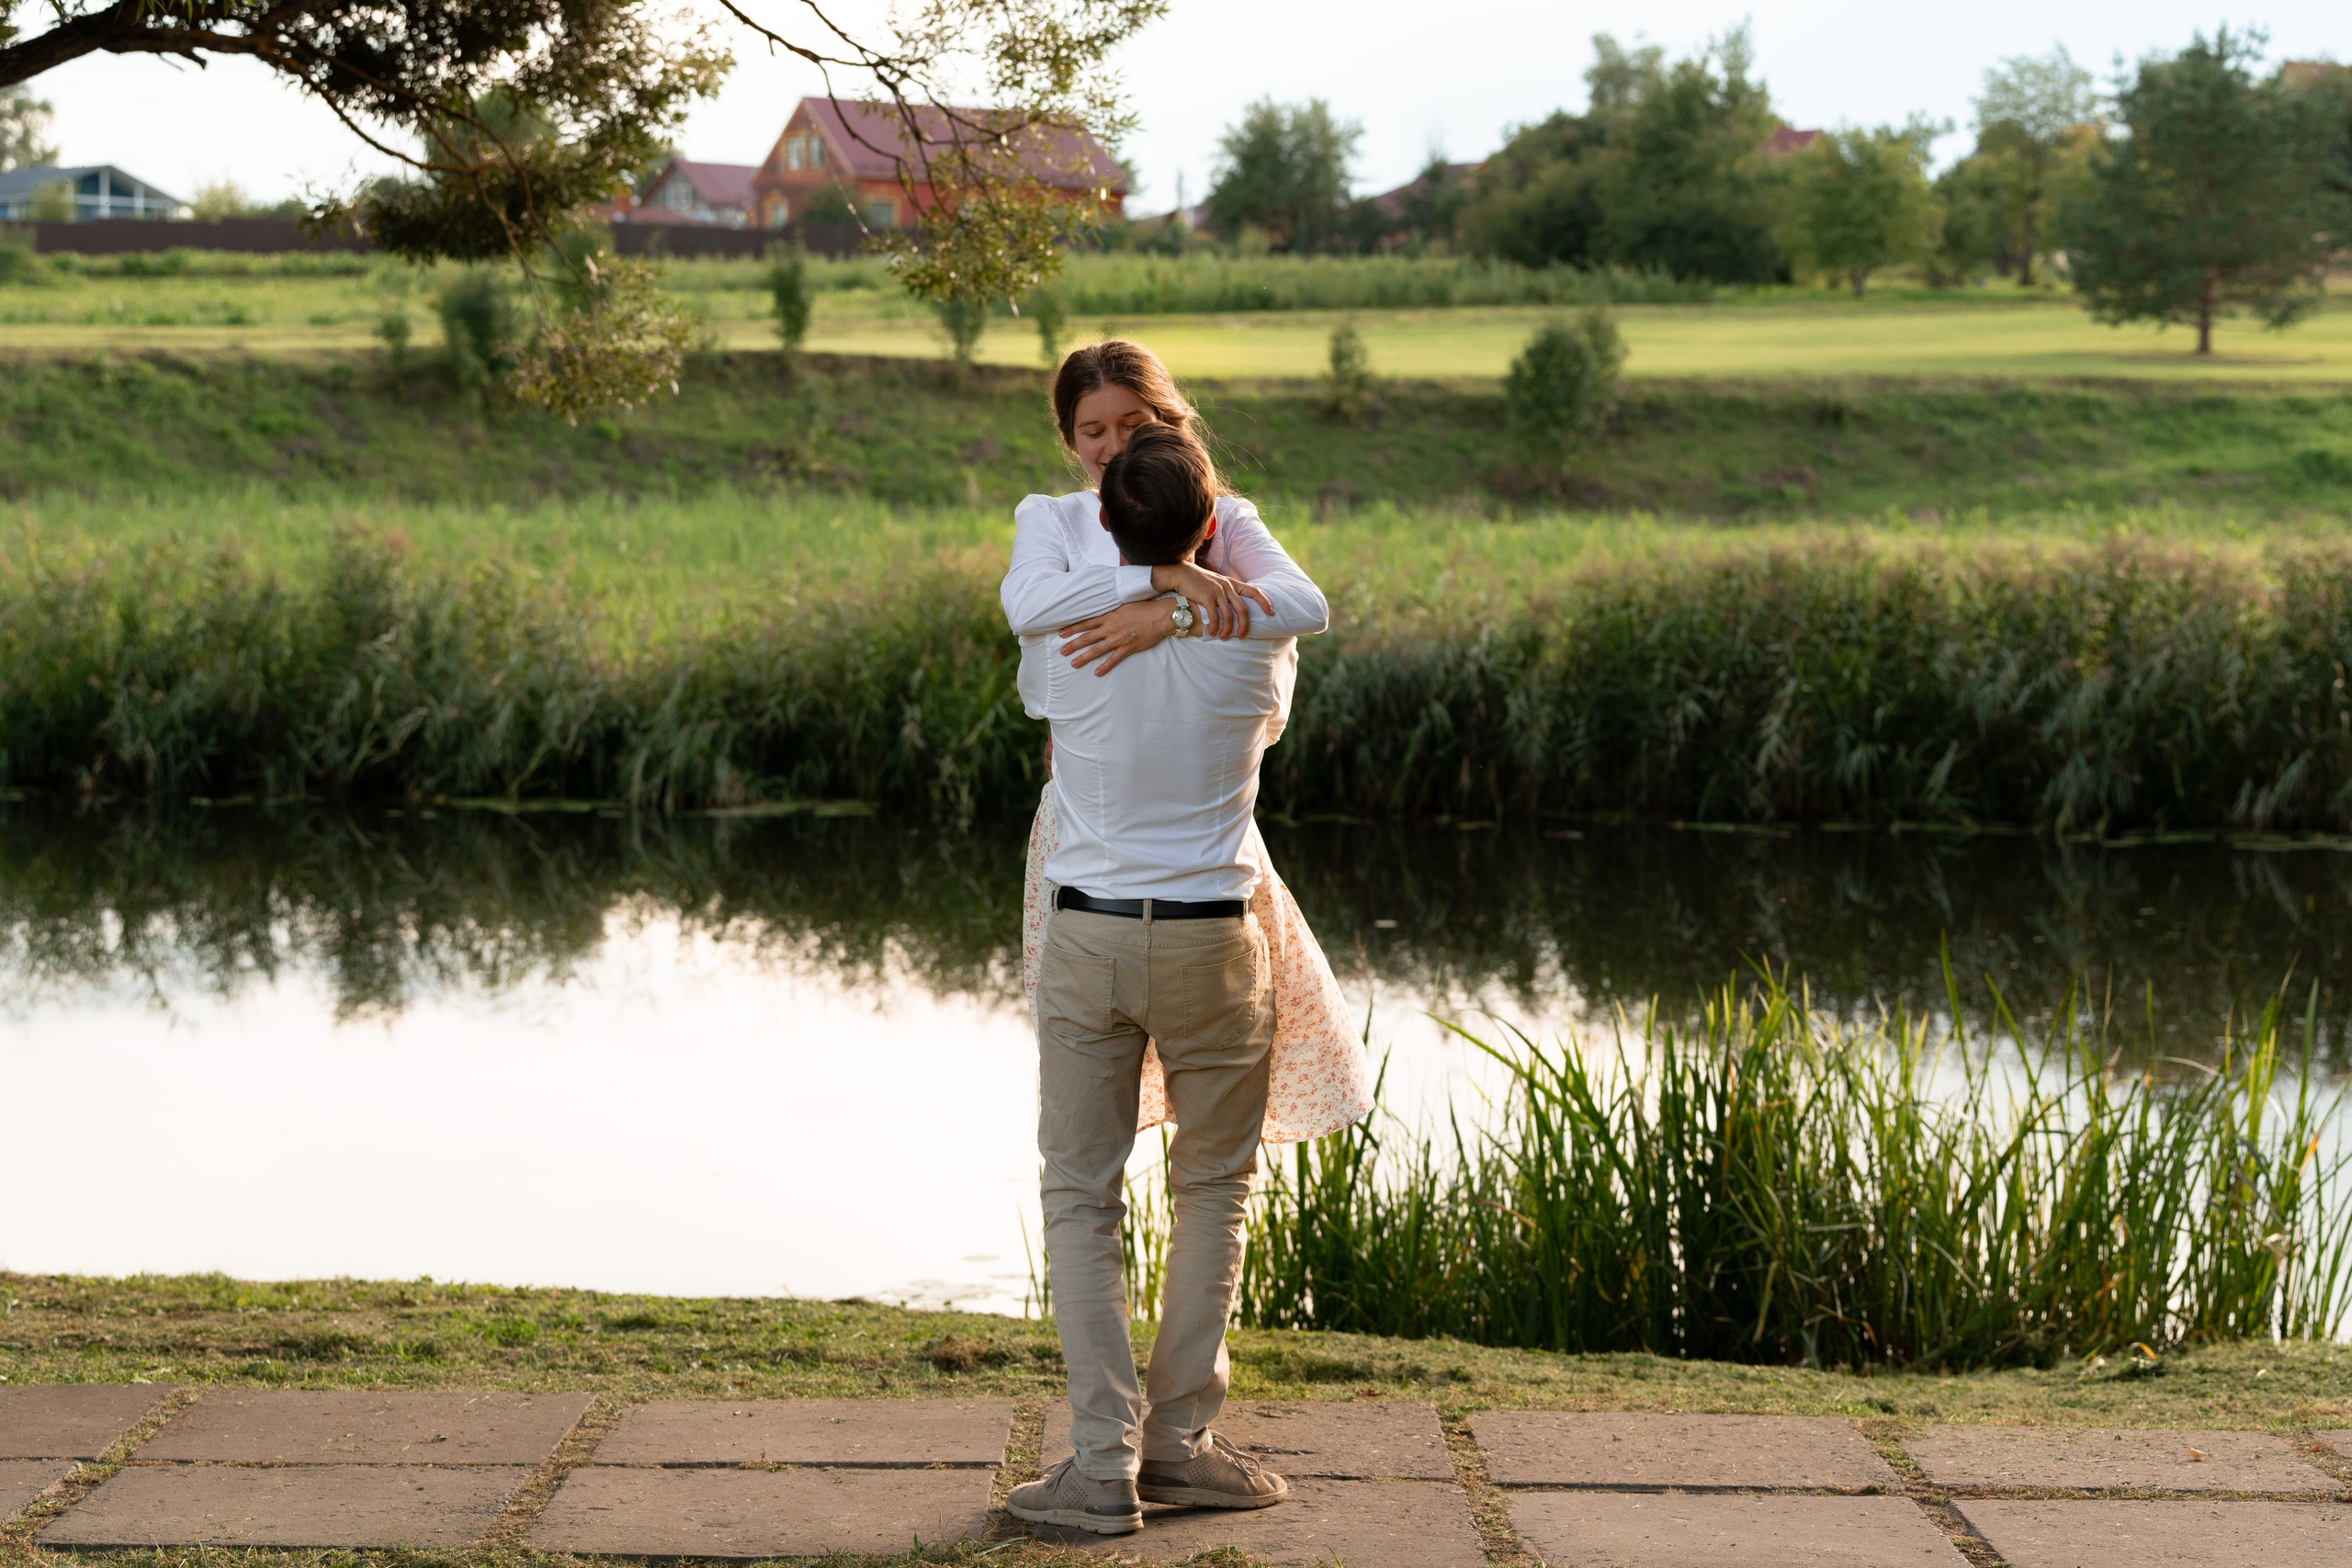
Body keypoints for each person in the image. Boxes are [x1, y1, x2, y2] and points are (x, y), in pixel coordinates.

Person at [1003, 423, 1304, 1537]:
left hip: (1087, 936)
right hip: (1212, 941)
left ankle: (1099, 1469)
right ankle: (1178, 1447)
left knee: (1079, 1197)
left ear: (1103, 522)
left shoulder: (1061, 644)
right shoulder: (1252, 640)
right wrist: (1185, 588)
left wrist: (1140, 582)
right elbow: (1301, 604)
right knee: (1213, 1190)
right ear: (1211, 525)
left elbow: (1034, 607)